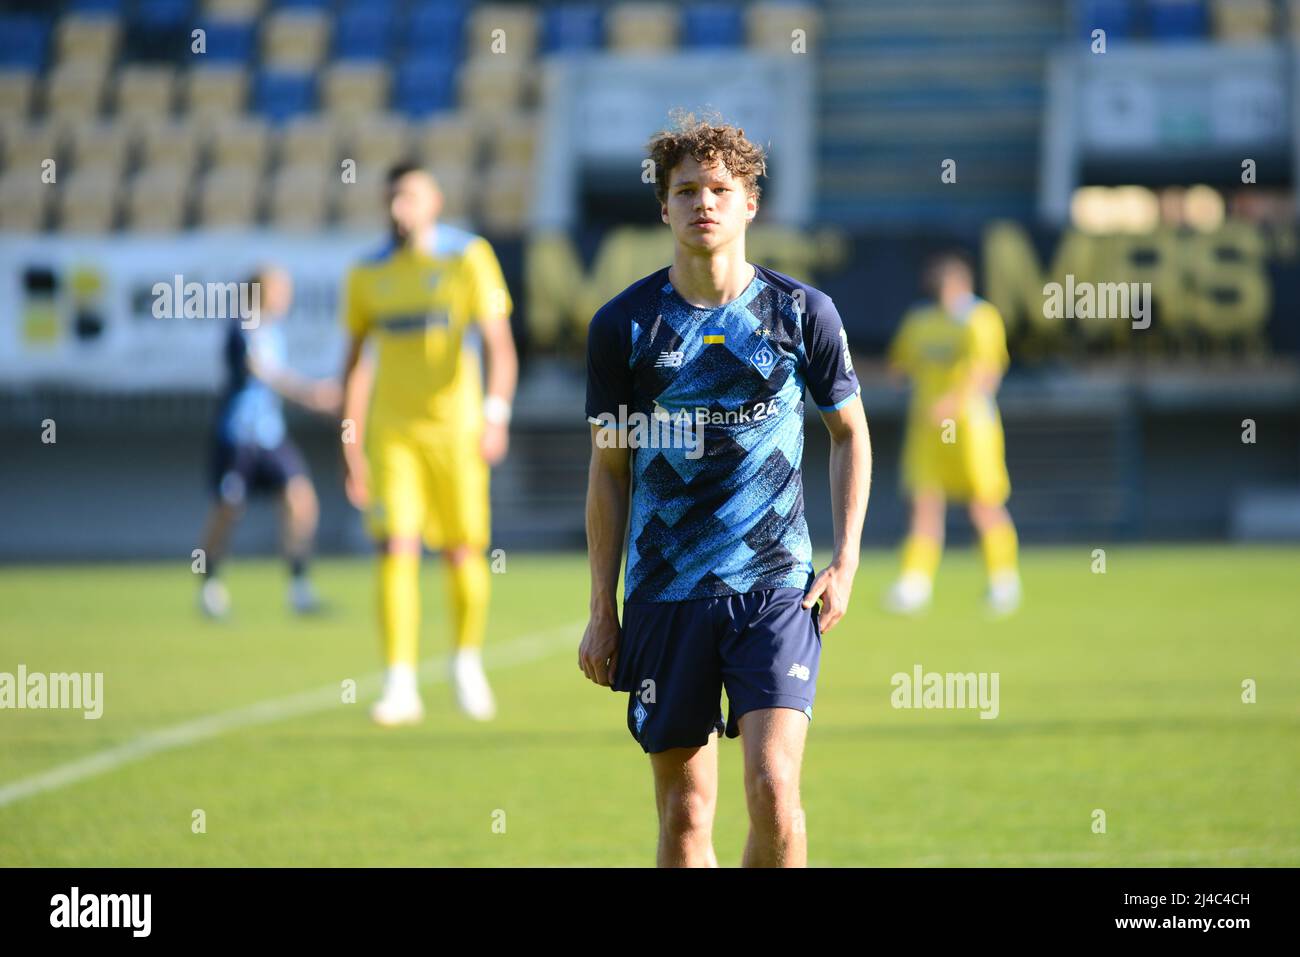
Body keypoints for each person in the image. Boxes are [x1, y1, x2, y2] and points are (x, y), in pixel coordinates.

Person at [579, 114, 872, 867]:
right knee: (684, 816)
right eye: (686, 190)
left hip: (773, 589)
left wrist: (846, 560)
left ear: (750, 203)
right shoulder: (624, 326)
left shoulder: (801, 313)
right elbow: (609, 472)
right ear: (664, 208)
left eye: (720, 188)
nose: (703, 202)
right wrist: (599, 610)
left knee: (775, 789)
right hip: (664, 592)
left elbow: (850, 433)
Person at [340, 161, 518, 727]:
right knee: (397, 547)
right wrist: (351, 441)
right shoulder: (366, 273)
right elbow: (353, 366)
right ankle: (400, 683)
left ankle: (466, 662)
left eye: (410, 198)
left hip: (458, 431)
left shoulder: (467, 258)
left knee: (462, 549)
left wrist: (495, 415)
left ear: (434, 202)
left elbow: (500, 347)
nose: (399, 210)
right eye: (392, 198)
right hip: (392, 435)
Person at [884, 251, 1021, 616]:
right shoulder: (920, 320)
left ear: (963, 285)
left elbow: (988, 371)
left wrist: (953, 402)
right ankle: (915, 584)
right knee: (924, 503)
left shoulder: (980, 318)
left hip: (972, 430)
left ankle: (1003, 582)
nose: (943, 295)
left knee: (983, 504)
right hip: (926, 430)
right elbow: (900, 364)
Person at [199, 265, 339, 618]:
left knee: (300, 499)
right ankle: (209, 582)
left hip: (269, 436)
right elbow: (265, 373)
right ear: (261, 291)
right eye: (281, 290)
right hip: (237, 436)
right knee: (228, 509)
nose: (286, 298)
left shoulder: (274, 331)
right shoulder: (242, 326)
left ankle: (299, 587)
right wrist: (312, 395)